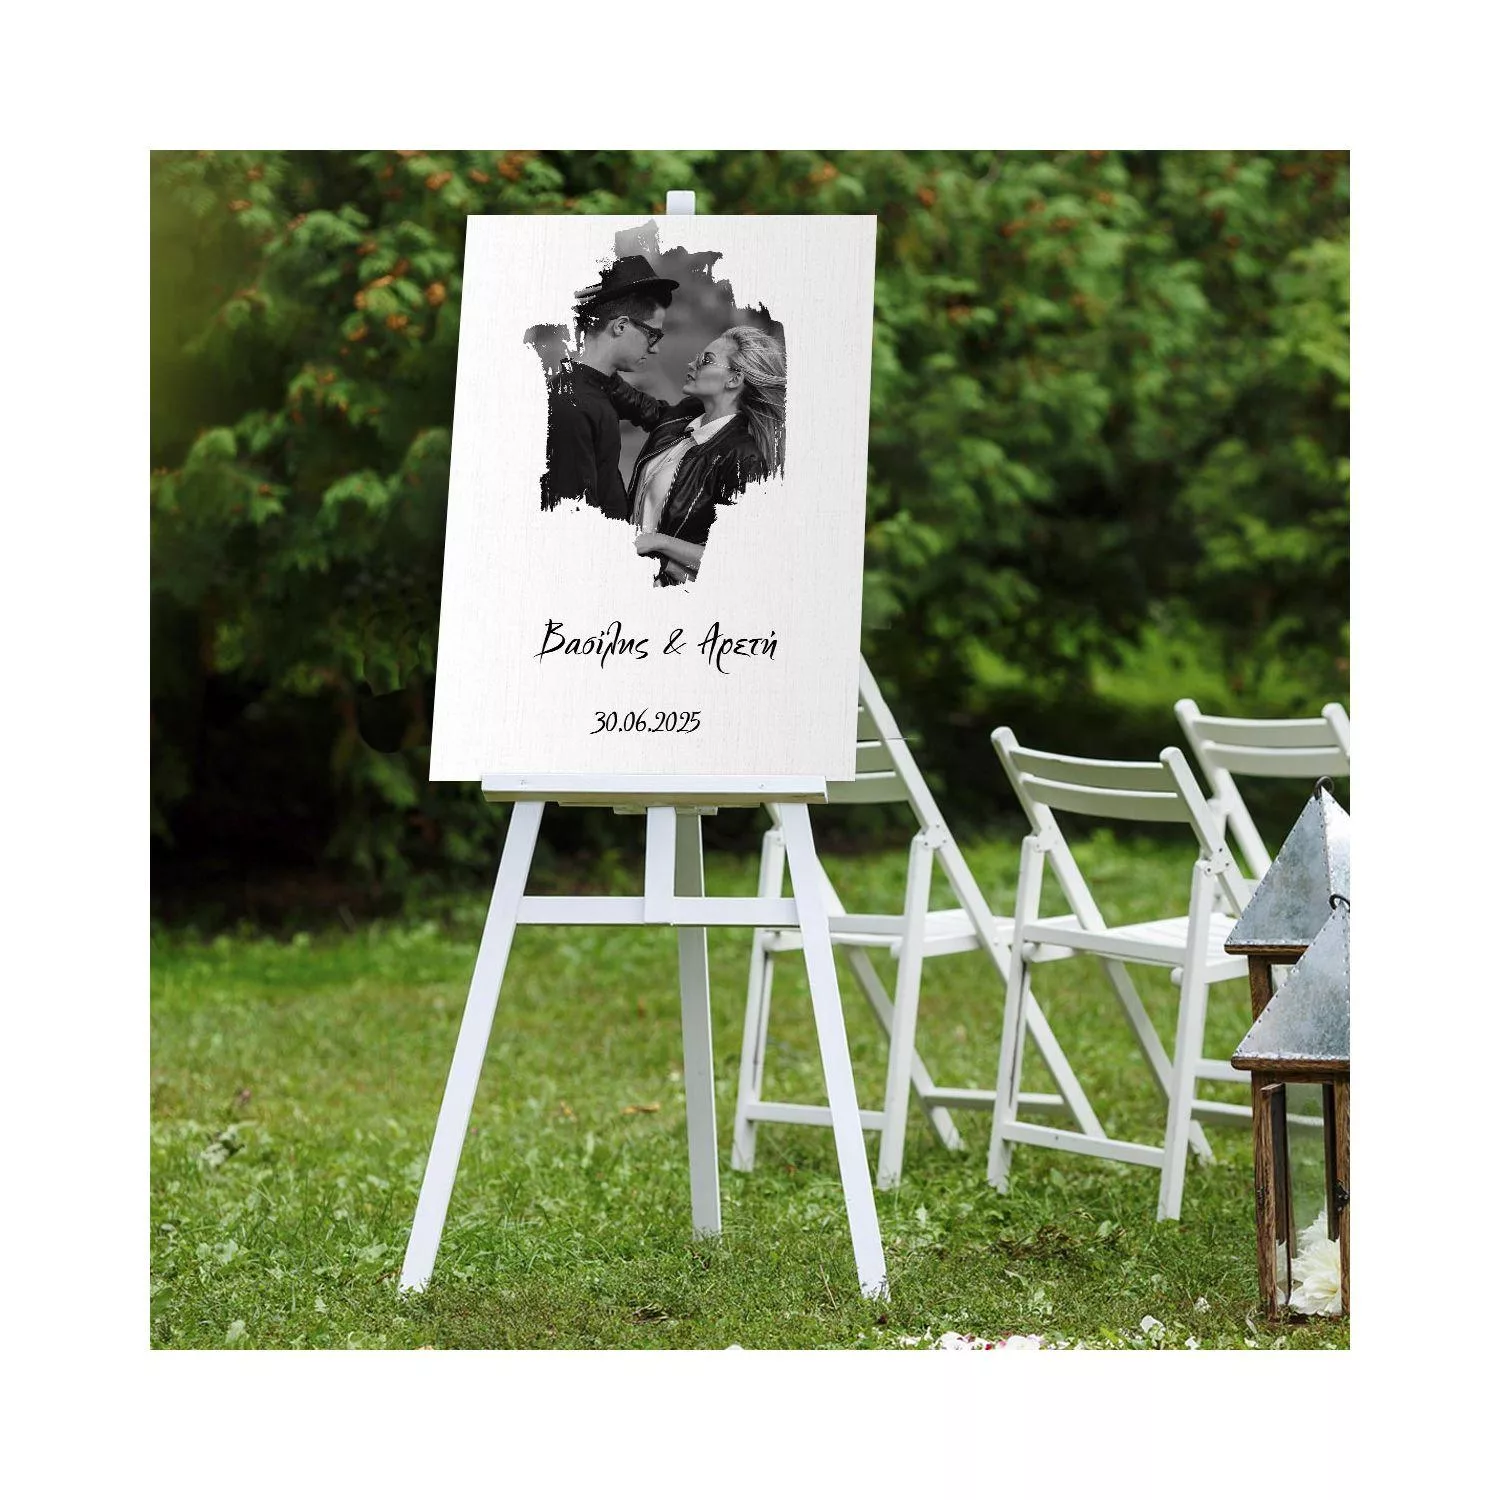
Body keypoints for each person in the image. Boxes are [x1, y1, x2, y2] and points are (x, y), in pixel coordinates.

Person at [618, 325, 787, 585]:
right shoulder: (681, 418)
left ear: (734, 379)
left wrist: (660, 543)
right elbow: (629, 400)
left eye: (706, 360)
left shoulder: (743, 457)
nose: (691, 363)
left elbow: (743, 558)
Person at [537, 256, 679, 519]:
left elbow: (655, 413)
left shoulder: (603, 383)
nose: (655, 348)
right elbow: (573, 517)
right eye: (653, 335)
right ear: (621, 326)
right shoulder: (572, 405)